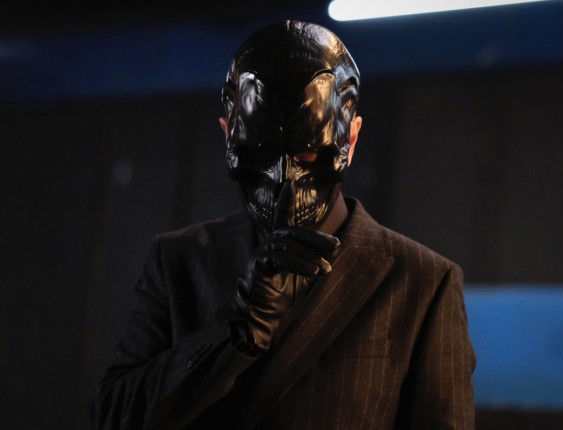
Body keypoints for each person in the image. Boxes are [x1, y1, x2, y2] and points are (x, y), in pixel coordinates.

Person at [89, 20, 475, 430]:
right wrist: (238, 330)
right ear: (227, 134)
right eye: (260, 152)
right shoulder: (179, 260)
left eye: (309, 153)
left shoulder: (422, 282)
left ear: (350, 139)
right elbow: (113, 415)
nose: (285, 180)